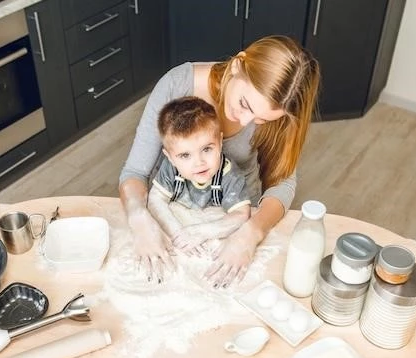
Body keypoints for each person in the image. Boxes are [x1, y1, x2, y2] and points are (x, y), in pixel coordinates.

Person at [119, 35, 320, 287]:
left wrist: (251, 233)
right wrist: (138, 217)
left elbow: (282, 182)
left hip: (237, 217)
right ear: (237, 65)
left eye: (261, 120)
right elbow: (135, 171)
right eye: (245, 104)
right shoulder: (177, 84)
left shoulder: (280, 109)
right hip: (172, 212)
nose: (246, 121)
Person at [148, 96, 251, 263]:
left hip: (213, 244)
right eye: (185, 155)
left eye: (207, 149)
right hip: (180, 241)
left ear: (220, 142)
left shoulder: (229, 175)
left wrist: (202, 232)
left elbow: (241, 215)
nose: (199, 162)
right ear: (170, 157)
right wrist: (178, 234)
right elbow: (154, 200)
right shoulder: (170, 168)